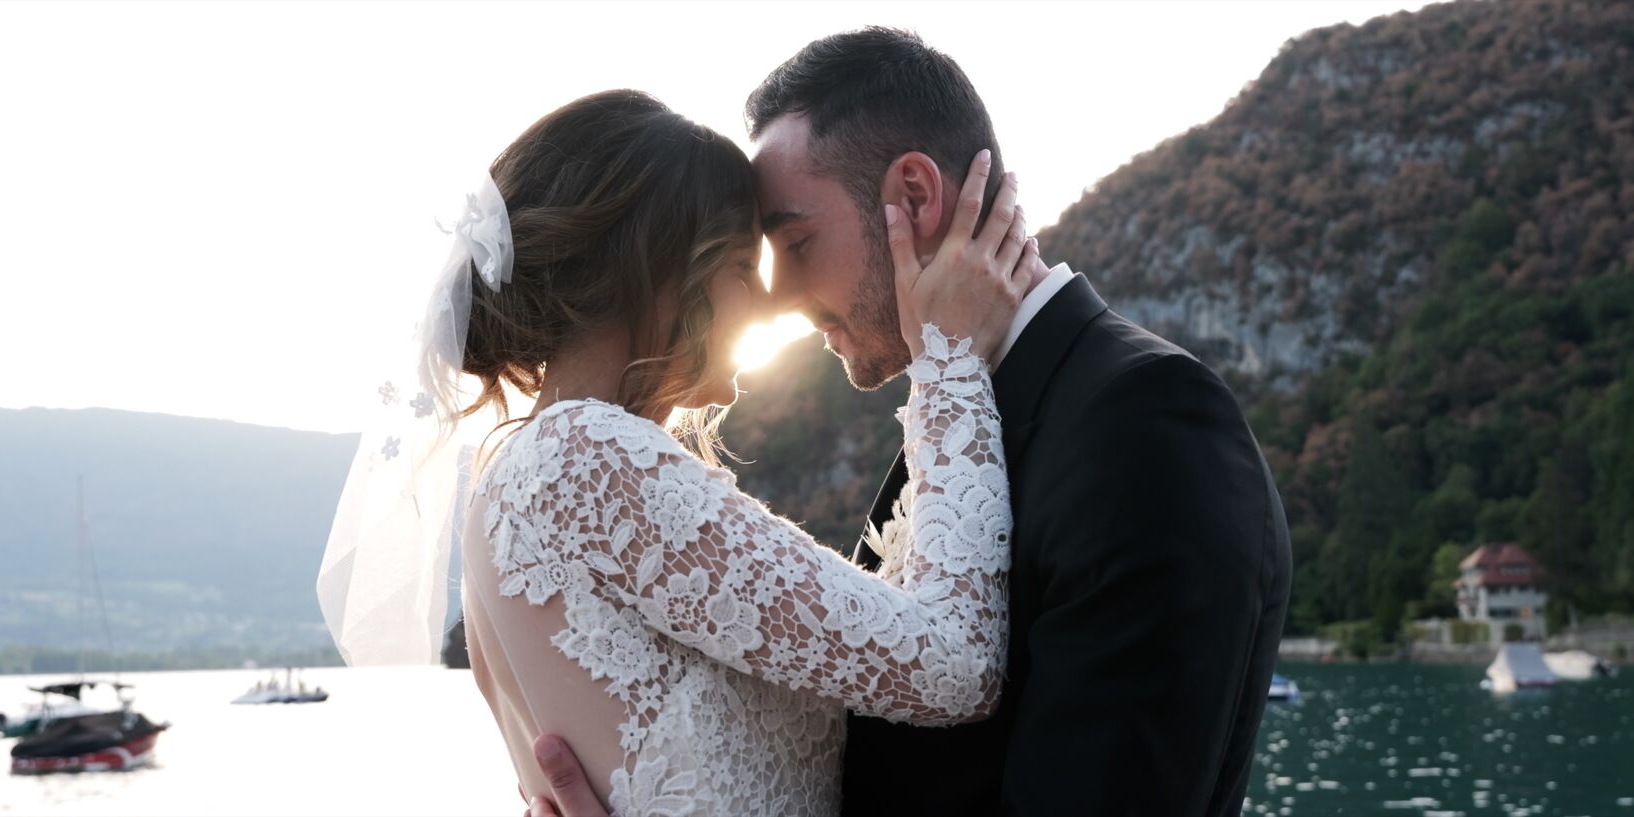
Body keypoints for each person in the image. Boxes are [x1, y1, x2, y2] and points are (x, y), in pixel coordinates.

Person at [531, 28, 1293, 817]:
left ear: (916, 198)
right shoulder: (952, 419)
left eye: (795, 241)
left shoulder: (1147, 427)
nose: (780, 298)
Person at [318, 89, 1038, 816]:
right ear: (658, 272)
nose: (765, 306)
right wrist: (949, 358)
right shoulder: (582, 458)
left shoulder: (510, 480)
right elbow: (957, 666)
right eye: (739, 265)